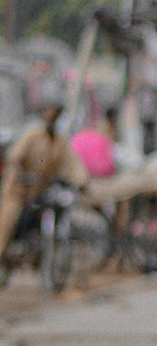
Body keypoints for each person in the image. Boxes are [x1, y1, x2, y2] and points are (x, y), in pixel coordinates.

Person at [0, 98, 90, 264]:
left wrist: (81, 181)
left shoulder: (59, 141)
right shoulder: (31, 135)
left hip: (40, 192)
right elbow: (15, 156)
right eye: (48, 111)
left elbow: (72, 163)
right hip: (18, 191)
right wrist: (19, 170)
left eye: (54, 112)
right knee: (7, 224)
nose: (51, 115)